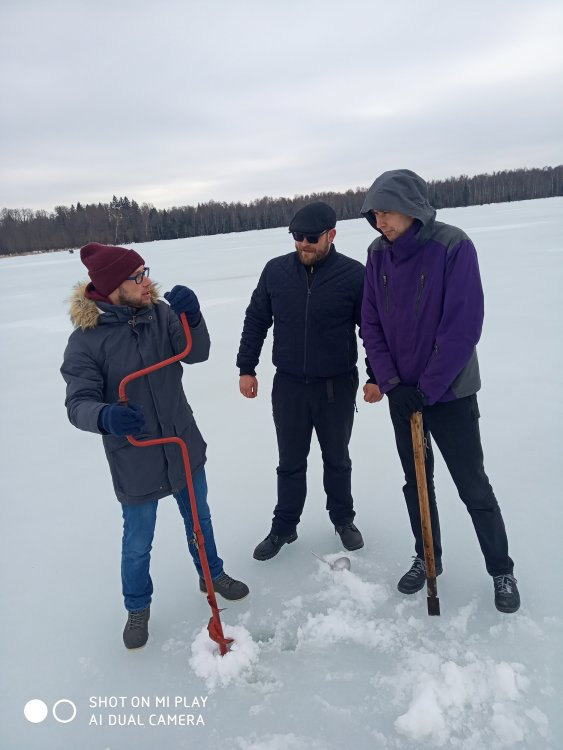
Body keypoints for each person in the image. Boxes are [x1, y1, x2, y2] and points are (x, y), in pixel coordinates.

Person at [61, 242, 249, 650]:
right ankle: (137, 606)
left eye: (146, 271)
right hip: (135, 454)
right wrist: (106, 416)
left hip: (181, 441)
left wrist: (192, 318)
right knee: (138, 540)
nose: (147, 281)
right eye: (138, 276)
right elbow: (78, 404)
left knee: (199, 519)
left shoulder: (161, 314)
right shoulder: (87, 342)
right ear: (113, 286)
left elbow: (196, 354)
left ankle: (211, 574)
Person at [360, 169, 520, 613]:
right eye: (374, 213)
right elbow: (370, 323)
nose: (380, 222)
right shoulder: (377, 255)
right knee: (416, 483)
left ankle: (501, 569)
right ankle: (427, 557)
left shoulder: (453, 245)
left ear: (411, 207)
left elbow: (463, 326)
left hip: (449, 395)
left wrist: (426, 388)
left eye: (386, 211)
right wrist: (392, 384)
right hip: (401, 394)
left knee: (473, 485)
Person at [237, 202, 382, 561]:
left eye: (311, 238)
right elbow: (256, 320)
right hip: (288, 385)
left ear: (331, 235)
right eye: (297, 237)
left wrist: (375, 376)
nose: (303, 244)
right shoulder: (275, 272)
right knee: (290, 461)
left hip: (336, 385)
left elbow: (372, 330)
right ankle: (284, 526)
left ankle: (343, 520)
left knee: (337, 458)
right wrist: (246, 367)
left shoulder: (353, 275)